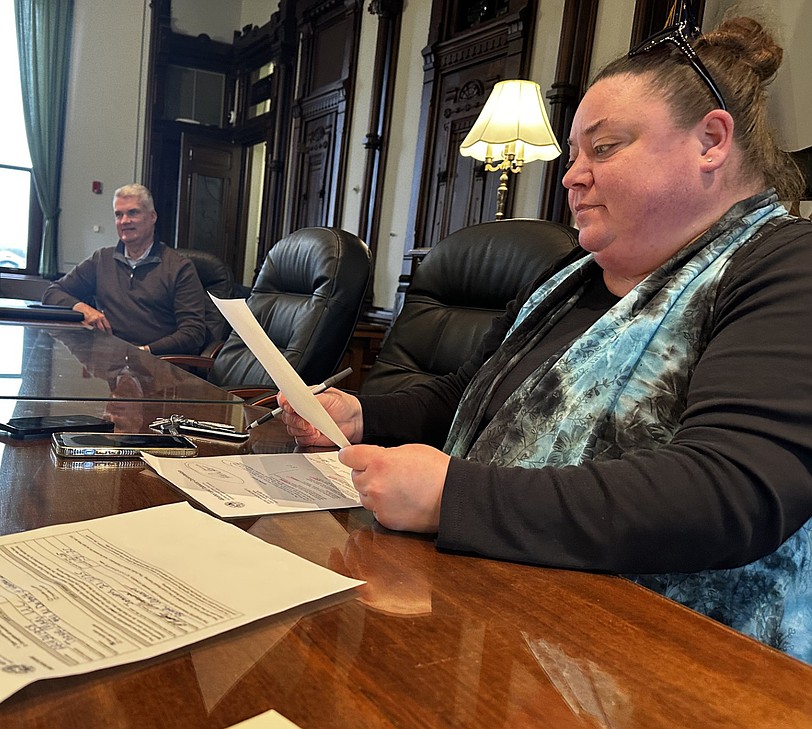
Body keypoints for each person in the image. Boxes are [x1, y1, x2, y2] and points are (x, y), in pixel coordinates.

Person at [279, 15, 812, 659]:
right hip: (488, 608)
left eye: (605, 147)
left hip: (674, 660)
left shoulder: (786, 265)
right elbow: (471, 396)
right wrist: (365, 414)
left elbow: (730, 490)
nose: (571, 176)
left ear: (710, 140)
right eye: (574, 154)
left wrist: (456, 497)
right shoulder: (570, 275)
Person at [41, 183, 208, 355]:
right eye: (118, 215)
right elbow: (52, 293)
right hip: (109, 363)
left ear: (152, 217)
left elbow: (193, 333)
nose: (124, 221)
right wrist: (83, 308)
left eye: (133, 213)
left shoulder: (179, 267)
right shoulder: (101, 259)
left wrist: (142, 352)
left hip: (158, 363)